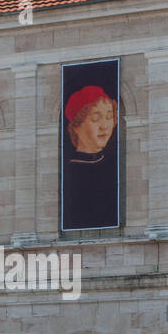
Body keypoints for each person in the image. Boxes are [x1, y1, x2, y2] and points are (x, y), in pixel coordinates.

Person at [61, 84, 119, 230]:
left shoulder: (115, 167)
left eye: (109, 117)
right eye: (95, 118)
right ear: (76, 125)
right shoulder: (69, 170)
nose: (105, 126)